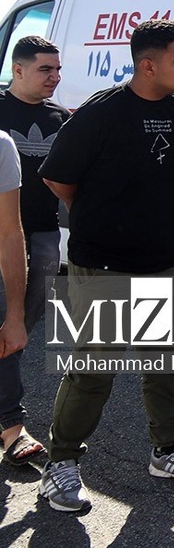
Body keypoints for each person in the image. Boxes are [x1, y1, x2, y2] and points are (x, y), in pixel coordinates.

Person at [37, 19, 174, 513]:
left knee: (166, 362)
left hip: (167, 261)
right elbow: (59, 181)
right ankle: (62, 461)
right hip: (105, 264)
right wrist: (105, 226)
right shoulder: (102, 113)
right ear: (148, 64)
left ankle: (167, 451)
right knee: (95, 368)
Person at [0, 36, 69, 467]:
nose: (55, 77)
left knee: (19, 322)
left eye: (58, 69)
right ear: (19, 69)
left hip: (42, 234)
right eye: (45, 69)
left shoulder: (63, 118)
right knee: (6, 315)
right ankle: (11, 424)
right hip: (3, 232)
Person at [0, 132, 32, 464]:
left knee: (5, 350)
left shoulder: (1, 146)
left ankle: (12, 426)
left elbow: (9, 232)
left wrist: (14, 315)